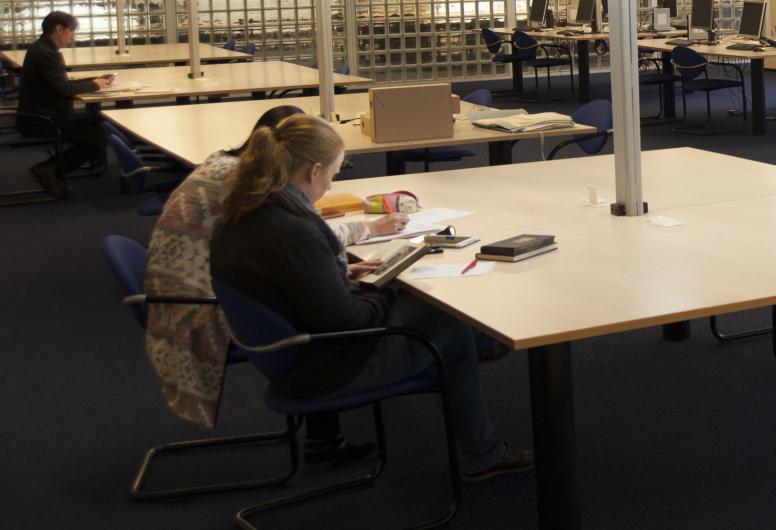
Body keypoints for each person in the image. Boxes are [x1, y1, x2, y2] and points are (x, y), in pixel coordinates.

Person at [209, 114, 534, 481]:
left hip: (292, 352)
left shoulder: (251, 207)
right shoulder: (295, 230)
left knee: (431, 313)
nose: (331, 184)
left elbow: (283, 279)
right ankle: (483, 450)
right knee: (446, 318)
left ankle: (481, 358)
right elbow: (347, 322)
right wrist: (383, 290)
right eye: (333, 174)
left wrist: (340, 273)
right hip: (326, 365)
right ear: (314, 171)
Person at [144, 105, 408, 469]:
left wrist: (329, 270)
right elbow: (304, 240)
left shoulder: (239, 171)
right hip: (197, 299)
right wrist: (370, 232)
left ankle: (324, 437)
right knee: (322, 305)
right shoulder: (247, 186)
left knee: (313, 294)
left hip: (200, 282)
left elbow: (298, 247)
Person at [16, 11, 114, 198]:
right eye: (71, 31)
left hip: (44, 114)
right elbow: (63, 90)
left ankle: (53, 170)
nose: (73, 36)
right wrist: (94, 85)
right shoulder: (45, 53)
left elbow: (61, 84)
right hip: (42, 119)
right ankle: (48, 170)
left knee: (97, 126)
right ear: (59, 29)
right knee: (96, 140)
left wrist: (94, 79)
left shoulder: (44, 49)